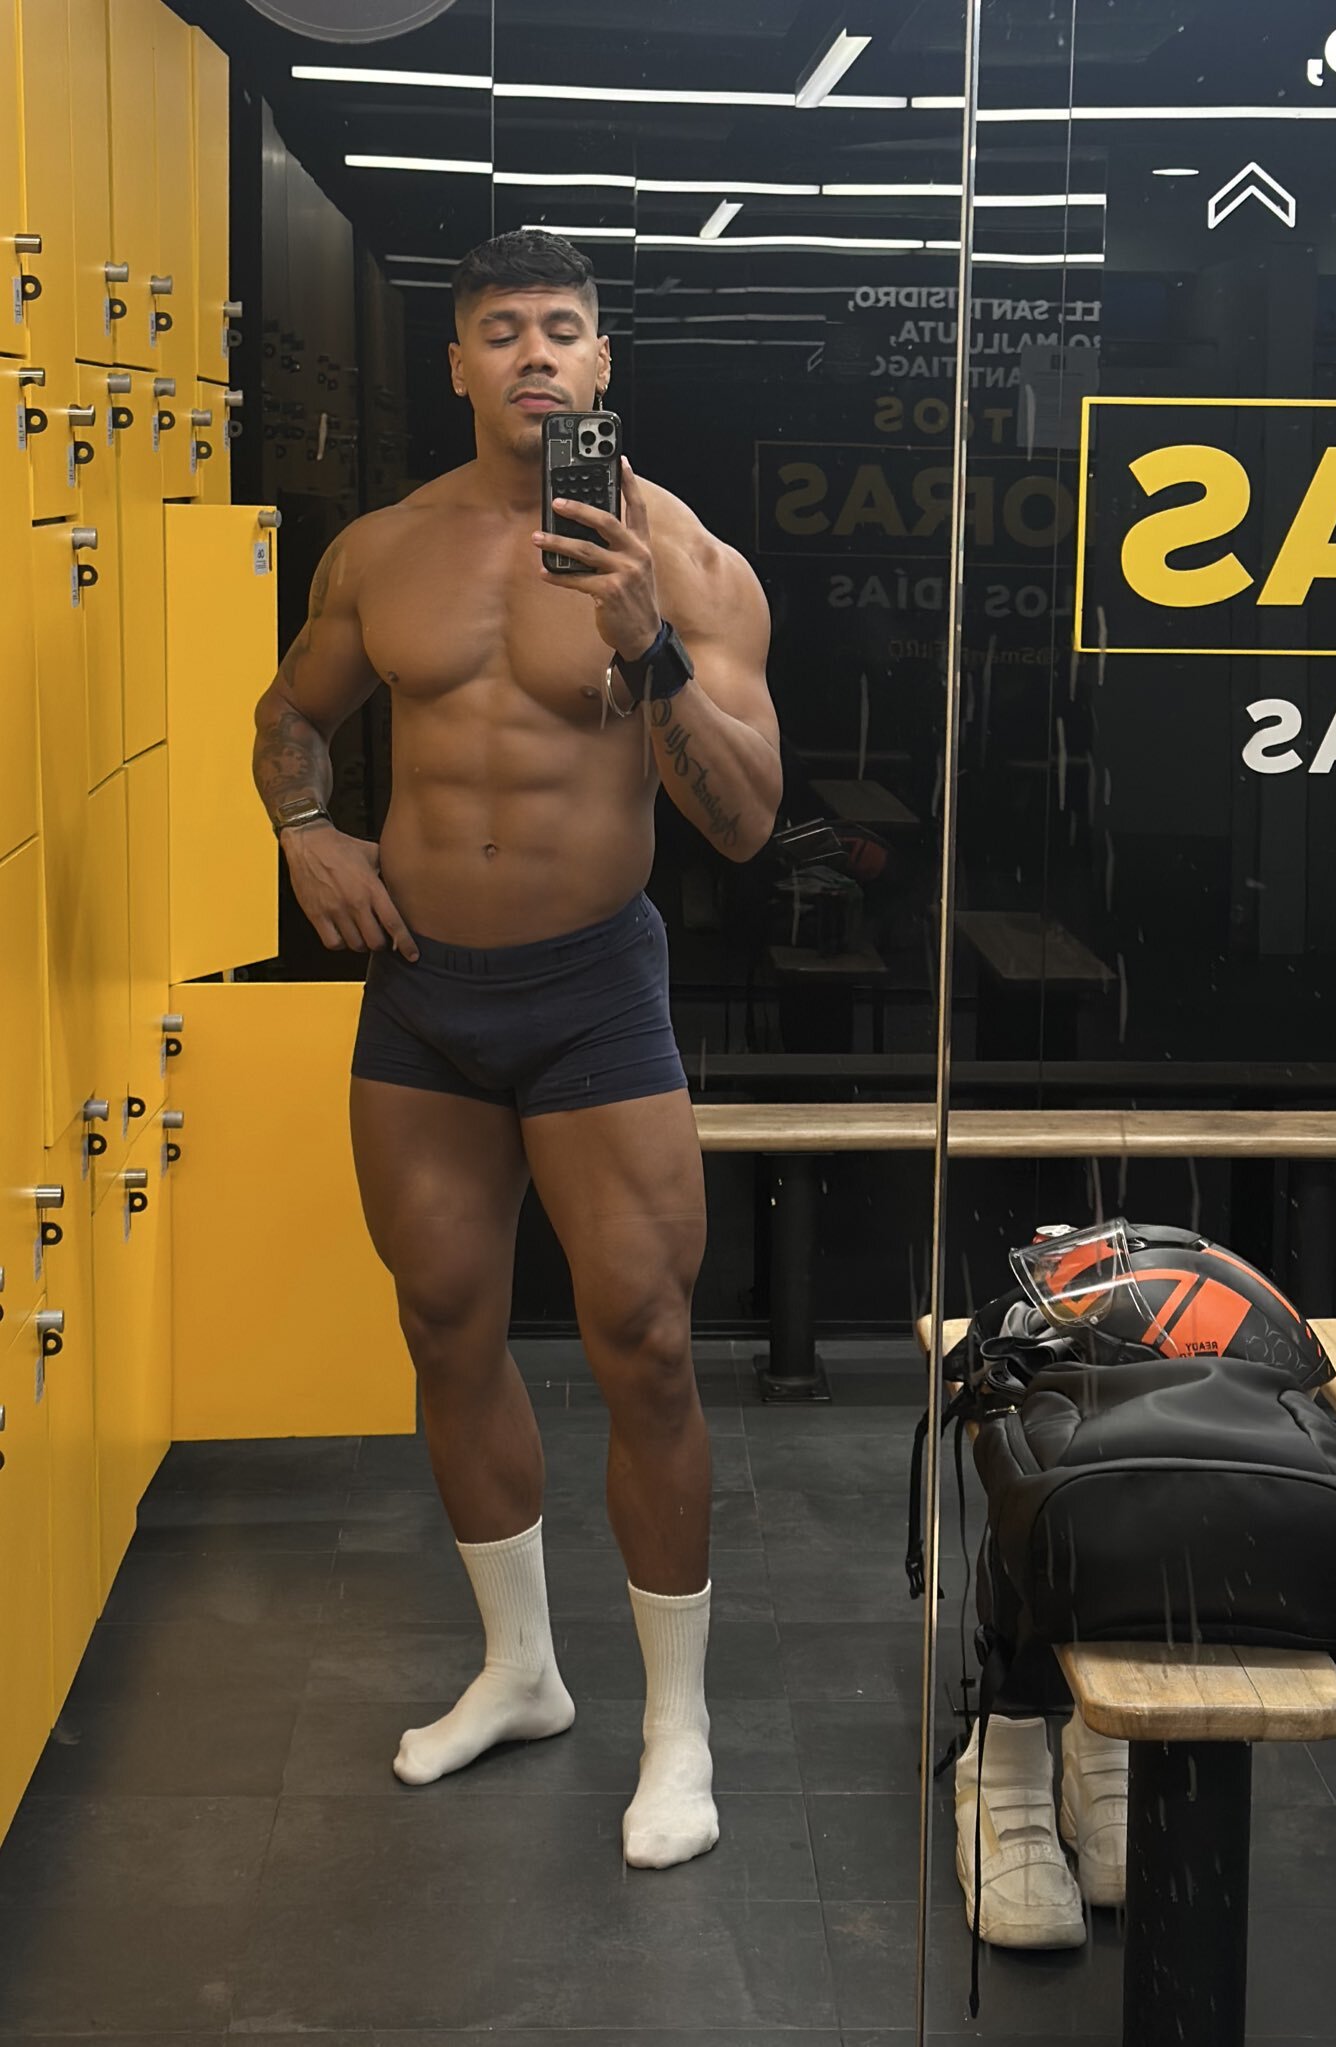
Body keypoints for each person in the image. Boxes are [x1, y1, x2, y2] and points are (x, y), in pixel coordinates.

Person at [250, 229, 782, 1870]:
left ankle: (678, 1726)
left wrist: (646, 647)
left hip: (591, 996)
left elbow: (746, 823)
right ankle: (522, 1672)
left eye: (563, 328)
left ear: (604, 363)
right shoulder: (385, 551)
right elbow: (289, 718)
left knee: (647, 1343)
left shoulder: (685, 564)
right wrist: (306, 832)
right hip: (421, 995)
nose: (536, 354)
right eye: (502, 330)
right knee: (444, 1327)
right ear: (461, 367)